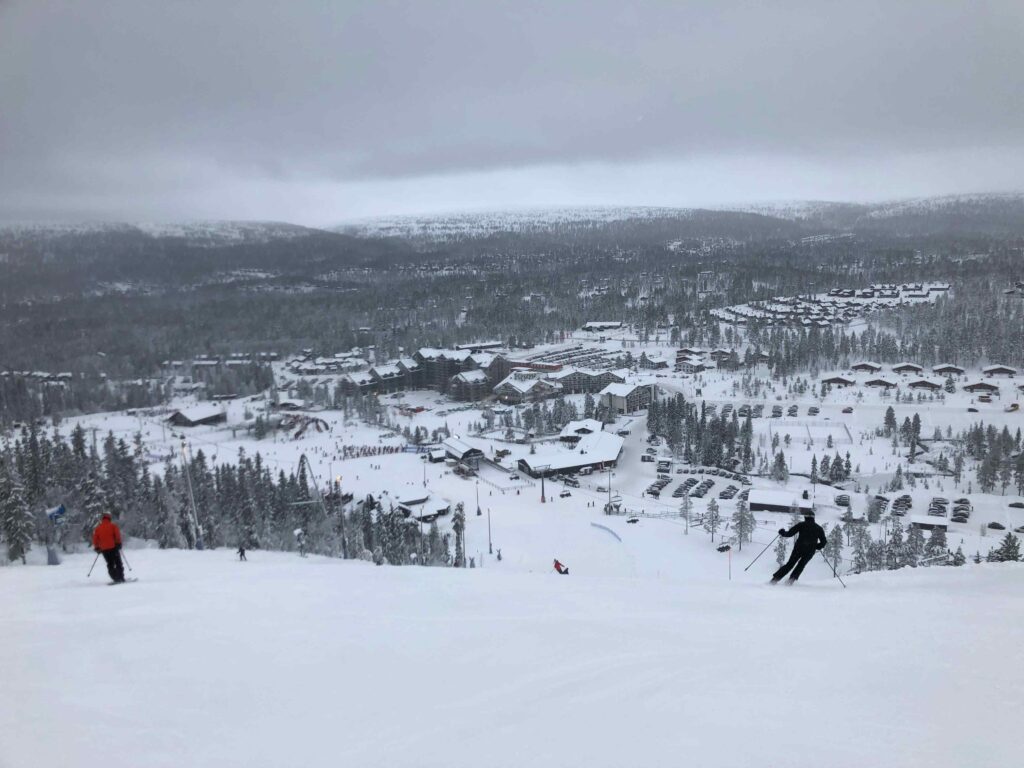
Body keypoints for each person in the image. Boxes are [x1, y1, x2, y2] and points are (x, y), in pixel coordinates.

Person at [771, 510, 826, 584]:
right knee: (801, 565)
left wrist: (782, 532)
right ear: (814, 518)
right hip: (810, 551)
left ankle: (775, 580)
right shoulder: (818, 528)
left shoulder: (801, 525)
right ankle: (791, 581)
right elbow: (823, 542)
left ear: (805, 517)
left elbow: (789, 534)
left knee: (790, 564)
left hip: (799, 548)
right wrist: (816, 546)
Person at [92, 512, 125, 583]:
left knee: (110, 564)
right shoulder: (113, 526)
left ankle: (115, 577)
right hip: (113, 548)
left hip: (104, 550)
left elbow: (95, 539)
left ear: (103, 519)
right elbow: (117, 535)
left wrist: (97, 547)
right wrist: (118, 543)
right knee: (118, 562)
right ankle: (120, 577)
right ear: (109, 519)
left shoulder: (98, 528)